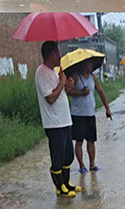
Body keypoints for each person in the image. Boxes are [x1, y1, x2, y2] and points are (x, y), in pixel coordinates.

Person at [34, 41, 81, 197]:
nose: (61, 55)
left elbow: (60, 93)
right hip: (54, 123)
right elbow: (50, 98)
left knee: (68, 155)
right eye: (59, 52)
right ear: (52, 54)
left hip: (65, 120)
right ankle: (60, 187)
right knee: (58, 157)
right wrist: (61, 83)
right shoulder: (42, 72)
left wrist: (67, 86)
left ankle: (67, 183)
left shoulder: (54, 72)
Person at [66, 60, 113, 174]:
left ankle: (92, 164)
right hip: (78, 114)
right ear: (83, 64)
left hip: (90, 114)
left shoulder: (93, 77)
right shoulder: (75, 76)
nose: (91, 66)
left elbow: (101, 91)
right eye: (89, 64)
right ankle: (81, 165)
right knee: (79, 141)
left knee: (91, 140)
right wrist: (81, 92)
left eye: (92, 64)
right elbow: (68, 91)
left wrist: (107, 108)